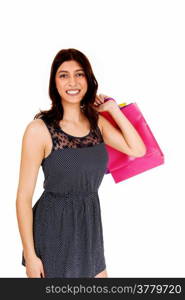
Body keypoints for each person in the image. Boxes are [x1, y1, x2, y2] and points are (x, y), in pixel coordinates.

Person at [16, 48, 146, 278]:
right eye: (63, 75)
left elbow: (138, 149)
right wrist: (31, 254)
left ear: (88, 79)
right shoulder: (39, 130)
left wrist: (113, 109)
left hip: (89, 225)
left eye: (79, 74)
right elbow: (23, 198)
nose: (72, 81)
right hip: (53, 228)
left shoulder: (97, 124)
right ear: (54, 82)